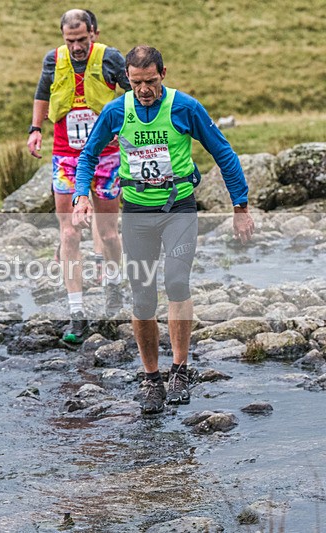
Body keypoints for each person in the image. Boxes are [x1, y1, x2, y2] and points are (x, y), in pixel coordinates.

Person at [72, 46, 255, 415]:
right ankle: (151, 377)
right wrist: (80, 195)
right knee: (141, 297)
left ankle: (180, 370)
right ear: (128, 78)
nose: (144, 89)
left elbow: (223, 152)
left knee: (175, 283)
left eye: (151, 81)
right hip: (137, 211)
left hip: (179, 209)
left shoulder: (185, 107)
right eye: (137, 82)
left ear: (163, 74)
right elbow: (88, 155)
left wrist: (241, 208)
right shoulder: (116, 110)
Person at [28, 8, 131, 343]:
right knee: (69, 234)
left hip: (106, 158)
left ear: (94, 34)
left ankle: (114, 283)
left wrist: (126, 126)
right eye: (70, 40)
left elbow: (136, 94)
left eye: (82, 39)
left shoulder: (110, 58)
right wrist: (35, 129)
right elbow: (42, 94)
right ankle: (77, 314)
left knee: (108, 233)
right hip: (66, 158)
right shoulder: (52, 60)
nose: (76, 47)